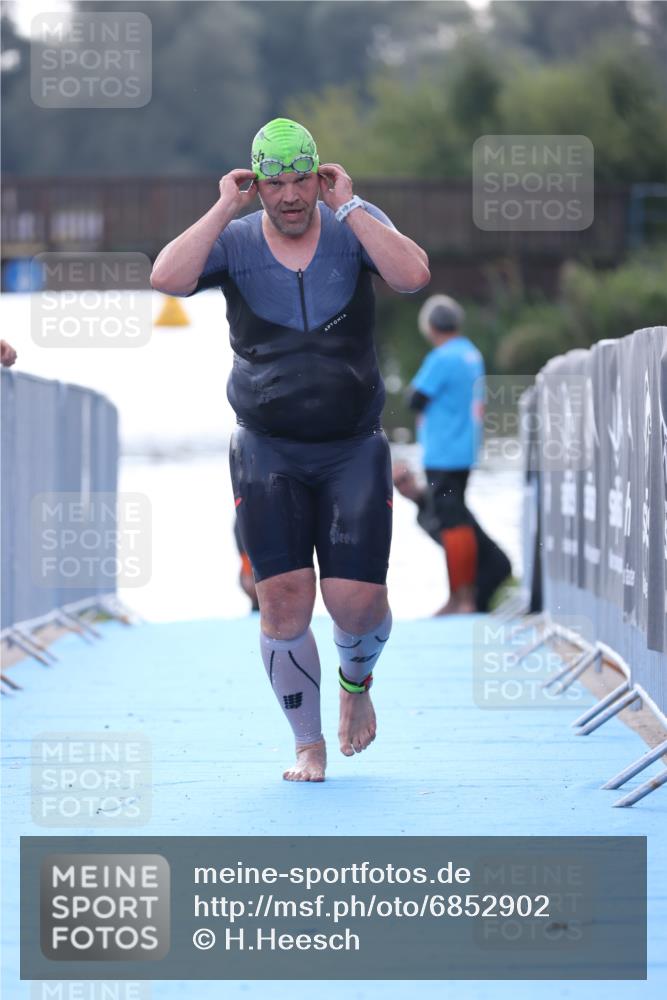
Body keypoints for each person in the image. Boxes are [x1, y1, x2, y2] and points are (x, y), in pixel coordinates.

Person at [150, 118, 430, 781]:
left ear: (320, 176)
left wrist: (351, 207)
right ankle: (308, 743)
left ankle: (356, 684)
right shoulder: (235, 240)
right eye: (275, 185)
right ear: (258, 185)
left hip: (351, 447)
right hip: (267, 449)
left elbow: (413, 276)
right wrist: (224, 207)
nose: (290, 196)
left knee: (357, 603)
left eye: (302, 180)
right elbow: (166, 277)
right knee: (281, 600)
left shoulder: (353, 224)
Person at [401, 296, 511, 614]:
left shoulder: (443, 357)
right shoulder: (470, 353)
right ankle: (465, 595)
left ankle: (461, 597)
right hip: (464, 448)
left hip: (444, 451)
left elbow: (415, 399)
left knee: (452, 522)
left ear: (430, 327)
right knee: (457, 516)